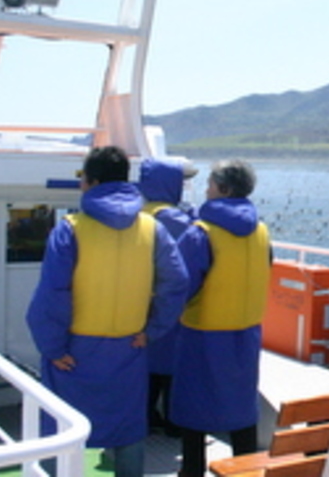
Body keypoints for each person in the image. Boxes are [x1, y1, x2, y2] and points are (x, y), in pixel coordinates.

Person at [26, 146, 189, 477]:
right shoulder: (151, 228)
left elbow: (53, 293)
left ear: (92, 182)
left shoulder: (69, 229)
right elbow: (177, 282)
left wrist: (52, 347)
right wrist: (152, 330)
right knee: (128, 432)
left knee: (62, 431)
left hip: (74, 352)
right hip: (129, 348)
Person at [169, 159, 272, 477]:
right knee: (242, 408)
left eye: (210, 184)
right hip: (246, 335)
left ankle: (192, 470)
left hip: (202, 335)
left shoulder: (200, 234)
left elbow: (179, 286)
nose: (206, 189)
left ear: (223, 189)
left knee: (194, 410)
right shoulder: (261, 232)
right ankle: (247, 469)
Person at [137, 158, 198, 436]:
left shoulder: (138, 215)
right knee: (173, 366)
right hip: (170, 303)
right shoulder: (174, 219)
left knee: (148, 366)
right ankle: (176, 422)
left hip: (141, 302)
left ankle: (146, 418)